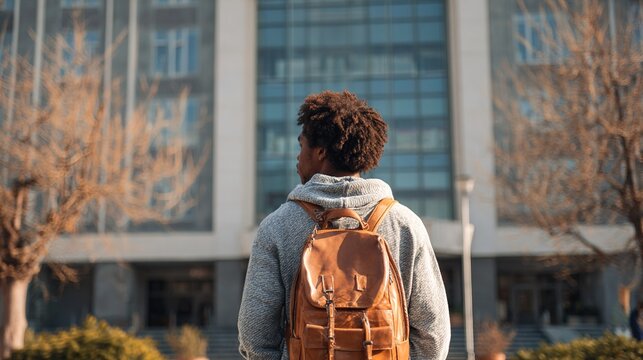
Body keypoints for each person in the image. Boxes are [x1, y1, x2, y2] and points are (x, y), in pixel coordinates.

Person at [238, 90, 451, 359]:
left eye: (301, 145)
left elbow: (254, 334)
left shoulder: (277, 226)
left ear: (320, 151)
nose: (297, 156)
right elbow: (434, 332)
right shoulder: (404, 224)